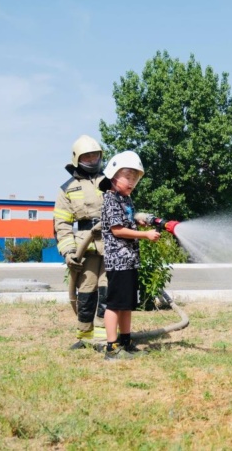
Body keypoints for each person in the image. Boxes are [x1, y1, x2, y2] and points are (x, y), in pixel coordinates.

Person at [99, 151, 160, 360]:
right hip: (118, 261)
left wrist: (138, 222)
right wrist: (145, 234)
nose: (132, 182)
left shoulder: (126, 199)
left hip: (130, 260)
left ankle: (126, 342)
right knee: (115, 304)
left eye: (135, 179)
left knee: (126, 304)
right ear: (114, 176)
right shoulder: (110, 199)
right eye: (128, 178)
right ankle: (111, 347)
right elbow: (117, 230)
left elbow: (126, 222)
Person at [54, 135, 108, 349]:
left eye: (95, 155)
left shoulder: (111, 180)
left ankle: (105, 337)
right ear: (77, 158)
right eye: (87, 156)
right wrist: (69, 253)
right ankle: (85, 337)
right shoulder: (67, 189)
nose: (93, 159)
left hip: (112, 243)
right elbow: (62, 225)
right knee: (86, 291)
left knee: (108, 290)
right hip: (85, 246)